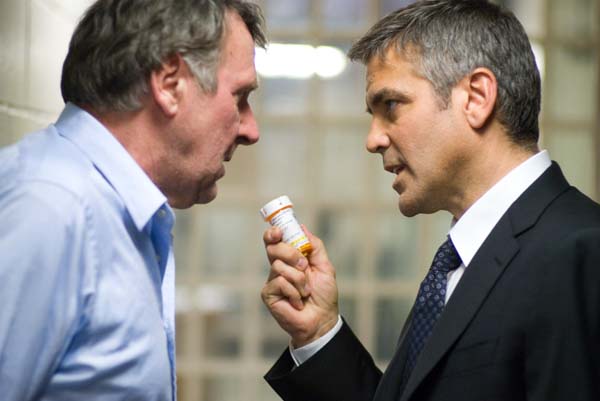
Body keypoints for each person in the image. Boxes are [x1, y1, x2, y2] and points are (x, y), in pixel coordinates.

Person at [260, 1, 600, 401]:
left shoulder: (581, 253)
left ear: (476, 97)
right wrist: (319, 331)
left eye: (391, 106)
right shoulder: (460, 260)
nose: (373, 139)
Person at [0, 0, 266, 400]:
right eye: (239, 97)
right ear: (170, 84)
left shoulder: (119, 213)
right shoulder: (48, 207)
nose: (251, 130)